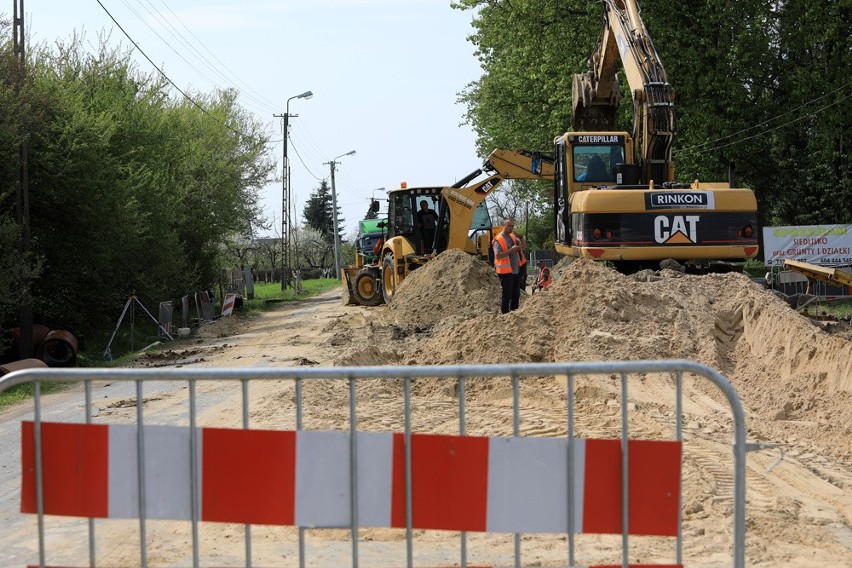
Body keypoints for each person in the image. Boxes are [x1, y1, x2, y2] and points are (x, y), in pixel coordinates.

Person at [492, 218, 523, 313]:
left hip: (514, 270)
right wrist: (511, 250)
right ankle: (505, 316)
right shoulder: (498, 239)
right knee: (507, 295)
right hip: (505, 272)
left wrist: (520, 242)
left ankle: (514, 314)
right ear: (503, 226)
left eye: (512, 226)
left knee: (516, 295)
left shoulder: (512, 237)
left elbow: (522, 246)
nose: (511, 228)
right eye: (509, 226)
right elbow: (497, 255)